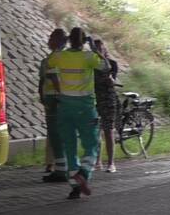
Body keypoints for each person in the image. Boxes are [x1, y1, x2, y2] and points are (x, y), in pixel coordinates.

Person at [46, 27, 109, 199]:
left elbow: (49, 61)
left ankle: (74, 187)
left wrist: (62, 46)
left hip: (64, 108)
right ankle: (84, 172)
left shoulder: (60, 56)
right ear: (84, 41)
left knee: (69, 147)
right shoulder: (89, 57)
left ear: (69, 40)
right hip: (85, 108)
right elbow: (106, 66)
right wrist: (95, 50)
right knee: (92, 145)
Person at [38, 28, 68, 182]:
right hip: (55, 98)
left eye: (51, 37)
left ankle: (61, 171)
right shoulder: (62, 56)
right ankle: (62, 168)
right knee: (57, 135)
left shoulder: (55, 57)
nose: (49, 39)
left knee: (56, 135)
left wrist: (59, 96)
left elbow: (54, 77)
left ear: (58, 40)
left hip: (54, 99)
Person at [93, 38, 119, 173]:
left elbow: (112, 81)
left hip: (108, 99)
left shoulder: (112, 64)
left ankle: (111, 163)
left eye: (99, 48)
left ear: (104, 49)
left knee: (108, 131)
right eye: (95, 48)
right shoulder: (91, 64)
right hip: (94, 99)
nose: (97, 51)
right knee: (95, 132)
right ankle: (97, 161)